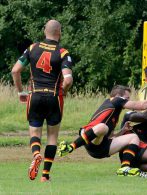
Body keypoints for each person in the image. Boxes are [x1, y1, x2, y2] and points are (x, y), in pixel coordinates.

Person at [11, 20, 73, 182]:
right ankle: (45, 176)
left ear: (45, 31)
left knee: (34, 132)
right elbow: (68, 80)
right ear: (59, 32)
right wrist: (63, 93)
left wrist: (20, 92)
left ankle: (36, 154)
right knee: (52, 137)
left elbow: (15, 70)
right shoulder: (62, 52)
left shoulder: (32, 48)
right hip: (54, 97)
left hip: (35, 95)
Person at [57, 85, 147, 177]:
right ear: (118, 96)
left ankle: (125, 168)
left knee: (133, 138)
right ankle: (70, 147)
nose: (128, 100)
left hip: (100, 148)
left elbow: (111, 136)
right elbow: (142, 106)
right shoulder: (116, 100)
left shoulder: (114, 110)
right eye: (127, 98)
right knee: (103, 127)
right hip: (89, 138)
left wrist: (122, 131)